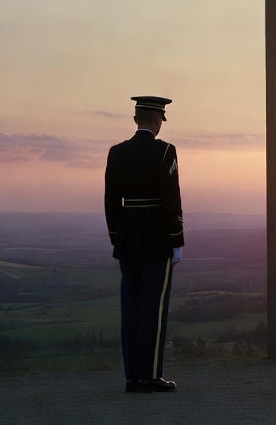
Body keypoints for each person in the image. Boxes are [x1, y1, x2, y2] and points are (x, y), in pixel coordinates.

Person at [104, 95, 184, 393]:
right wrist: (176, 241)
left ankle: (131, 377)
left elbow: (110, 201)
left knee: (131, 306)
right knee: (153, 307)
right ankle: (149, 376)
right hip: (156, 236)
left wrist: (117, 237)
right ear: (156, 120)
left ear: (136, 119)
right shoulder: (165, 152)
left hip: (127, 236)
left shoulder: (116, 152)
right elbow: (171, 199)